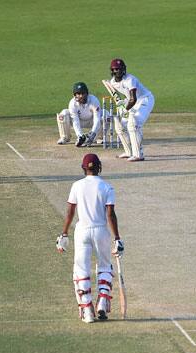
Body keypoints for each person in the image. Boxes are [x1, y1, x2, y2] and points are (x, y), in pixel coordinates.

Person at [56, 154, 124, 323]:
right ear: (99, 167)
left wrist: (64, 233)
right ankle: (102, 302)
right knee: (104, 267)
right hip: (101, 231)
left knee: (81, 270)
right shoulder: (107, 187)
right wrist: (117, 238)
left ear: (84, 168)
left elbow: (70, 212)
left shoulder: (76, 186)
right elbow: (110, 214)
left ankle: (87, 312)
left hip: (82, 231)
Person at [105, 58, 154, 162]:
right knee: (121, 126)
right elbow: (120, 97)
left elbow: (133, 98)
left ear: (123, 69)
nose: (118, 71)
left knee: (134, 124)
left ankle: (138, 154)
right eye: (115, 69)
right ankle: (128, 152)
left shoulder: (130, 80)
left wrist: (125, 109)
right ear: (112, 70)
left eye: (120, 69)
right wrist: (122, 106)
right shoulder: (113, 82)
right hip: (131, 102)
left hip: (145, 100)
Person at [56, 82, 102, 147]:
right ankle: (65, 137)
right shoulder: (72, 103)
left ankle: (99, 138)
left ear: (87, 93)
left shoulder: (94, 100)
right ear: (74, 95)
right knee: (63, 114)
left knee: (105, 114)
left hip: (91, 121)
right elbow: (75, 121)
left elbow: (97, 118)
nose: (81, 96)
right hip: (80, 121)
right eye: (78, 94)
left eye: (83, 93)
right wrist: (80, 136)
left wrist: (93, 132)